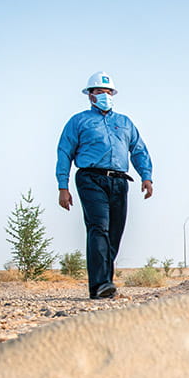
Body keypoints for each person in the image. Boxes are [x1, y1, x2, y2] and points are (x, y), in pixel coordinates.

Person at [56, 71, 154, 299]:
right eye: (100, 92)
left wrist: (146, 177)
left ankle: (105, 284)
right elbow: (64, 152)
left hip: (120, 180)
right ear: (90, 95)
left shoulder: (125, 123)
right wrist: (63, 186)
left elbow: (139, 150)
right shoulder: (78, 121)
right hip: (90, 178)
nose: (105, 96)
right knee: (99, 227)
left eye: (108, 92)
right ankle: (100, 284)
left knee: (115, 233)